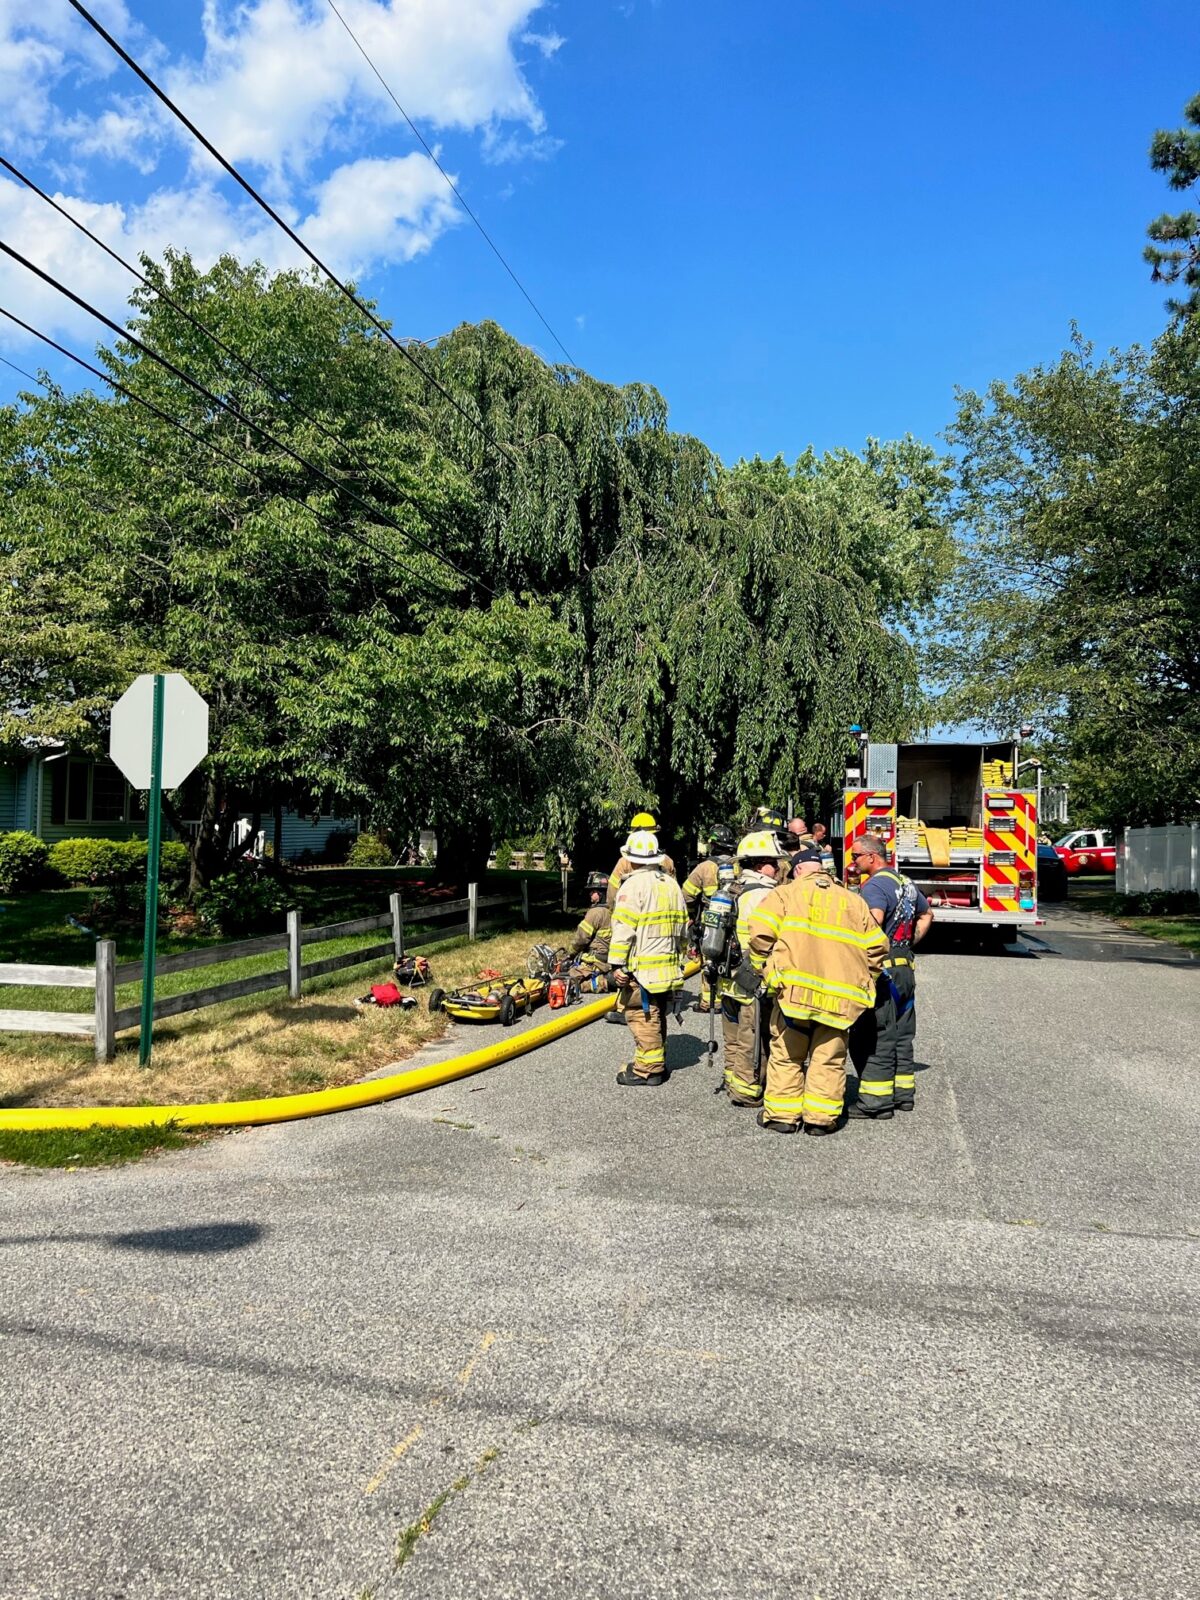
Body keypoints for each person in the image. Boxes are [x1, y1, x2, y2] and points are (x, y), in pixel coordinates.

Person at [743, 842, 888, 1135]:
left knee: (787, 1054)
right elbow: (877, 947)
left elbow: (759, 934)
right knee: (829, 1058)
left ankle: (782, 1117)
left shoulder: (784, 894)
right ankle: (820, 1121)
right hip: (841, 999)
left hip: (793, 994)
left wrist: (765, 970)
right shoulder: (854, 901)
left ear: (797, 870)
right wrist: (866, 980)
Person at [847, 832, 934, 1118]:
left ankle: (875, 1103)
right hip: (904, 968)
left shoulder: (874, 887)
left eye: (856, 856)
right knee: (901, 1033)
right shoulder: (904, 882)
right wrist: (908, 943)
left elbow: (873, 925)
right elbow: (926, 914)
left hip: (883, 971)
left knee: (874, 1034)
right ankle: (902, 1095)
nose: (852, 861)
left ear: (872, 857)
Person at [607, 829, 689, 1086]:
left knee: (642, 1013)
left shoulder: (632, 886)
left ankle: (648, 1069)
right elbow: (684, 925)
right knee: (657, 1011)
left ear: (631, 859)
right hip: (667, 965)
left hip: (641, 966)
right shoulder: (671, 884)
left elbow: (623, 928)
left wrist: (617, 964)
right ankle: (657, 1060)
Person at [718, 830, 786, 1106]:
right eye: (773, 862)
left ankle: (732, 1078)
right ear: (760, 864)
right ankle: (747, 1090)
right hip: (754, 978)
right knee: (752, 1036)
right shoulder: (766, 896)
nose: (778, 867)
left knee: (732, 1034)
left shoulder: (730, 890)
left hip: (729, 977)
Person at [682, 824, 737, 1013]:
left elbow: (687, 895)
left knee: (709, 959)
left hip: (710, 921)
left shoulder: (704, 867)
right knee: (730, 957)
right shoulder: (738, 865)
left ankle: (708, 1002)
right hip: (734, 919)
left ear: (712, 845)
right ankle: (731, 997)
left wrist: (692, 913)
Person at [606, 811, 676, 906]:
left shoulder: (624, 862)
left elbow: (612, 890)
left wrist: (612, 912)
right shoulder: (666, 861)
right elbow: (674, 889)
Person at [569, 871, 614, 991]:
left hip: (594, 962)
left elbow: (581, 938)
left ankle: (588, 985)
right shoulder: (614, 911)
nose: (590, 894)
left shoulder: (595, 913)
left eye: (593, 891)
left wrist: (570, 954)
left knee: (567, 979)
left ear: (600, 893)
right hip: (610, 960)